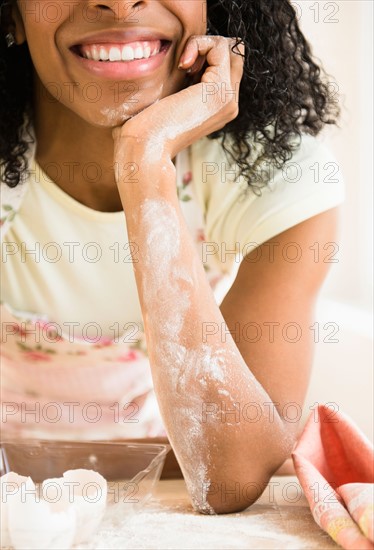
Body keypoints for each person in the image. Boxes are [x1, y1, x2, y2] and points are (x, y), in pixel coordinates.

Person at [0, 0, 345, 514]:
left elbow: (233, 476)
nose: (118, 3)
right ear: (11, 15)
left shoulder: (279, 178)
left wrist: (144, 162)